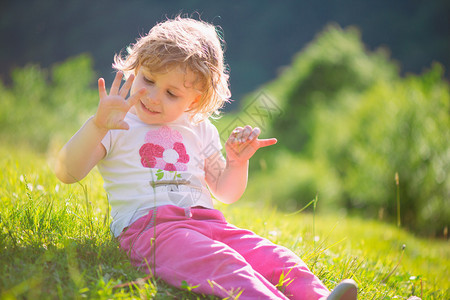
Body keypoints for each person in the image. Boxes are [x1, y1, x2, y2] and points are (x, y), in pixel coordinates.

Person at [55, 16, 357, 300]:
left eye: (171, 93)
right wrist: (96, 125)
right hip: (152, 232)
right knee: (224, 265)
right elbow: (67, 172)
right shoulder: (117, 123)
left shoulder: (200, 129)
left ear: (195, 100)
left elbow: (225, 192)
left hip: (210, 225)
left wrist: (237, 163)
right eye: (147, 79)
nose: (153, 96)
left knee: (277, 259)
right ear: (135, 69)